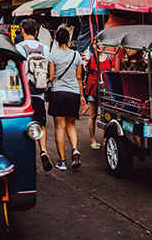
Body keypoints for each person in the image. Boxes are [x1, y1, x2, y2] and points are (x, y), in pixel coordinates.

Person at [15, 19, 53, 172]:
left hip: (24, 94)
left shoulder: (19, 47)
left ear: (22, 31)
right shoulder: (44, 48)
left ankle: (28, 157)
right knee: (40, 123)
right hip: (39, 92)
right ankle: (43, 150)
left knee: (25, 126)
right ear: (36, 32)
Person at [48, 27, 86, 171]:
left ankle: (62, 161)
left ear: (56, 39)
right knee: (71, 125)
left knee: (59, 127)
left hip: (58, 93)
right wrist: (82, 96)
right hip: (74, 93)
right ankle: (75, 149)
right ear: (69, 40)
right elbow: (79, 77)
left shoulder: (53, 55)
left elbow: (52, 77)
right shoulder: (76, 55)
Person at [82, 42, 114, 149]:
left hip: (105, 90)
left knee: (107, 115)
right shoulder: (90, 57)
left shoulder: (109, 58)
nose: (99, 46)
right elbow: (81, 68)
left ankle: (106, 138)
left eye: (100, 43)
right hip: (92, 88)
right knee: (93, 115)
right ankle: (93, 139)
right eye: (96, 44)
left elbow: (112, 74)